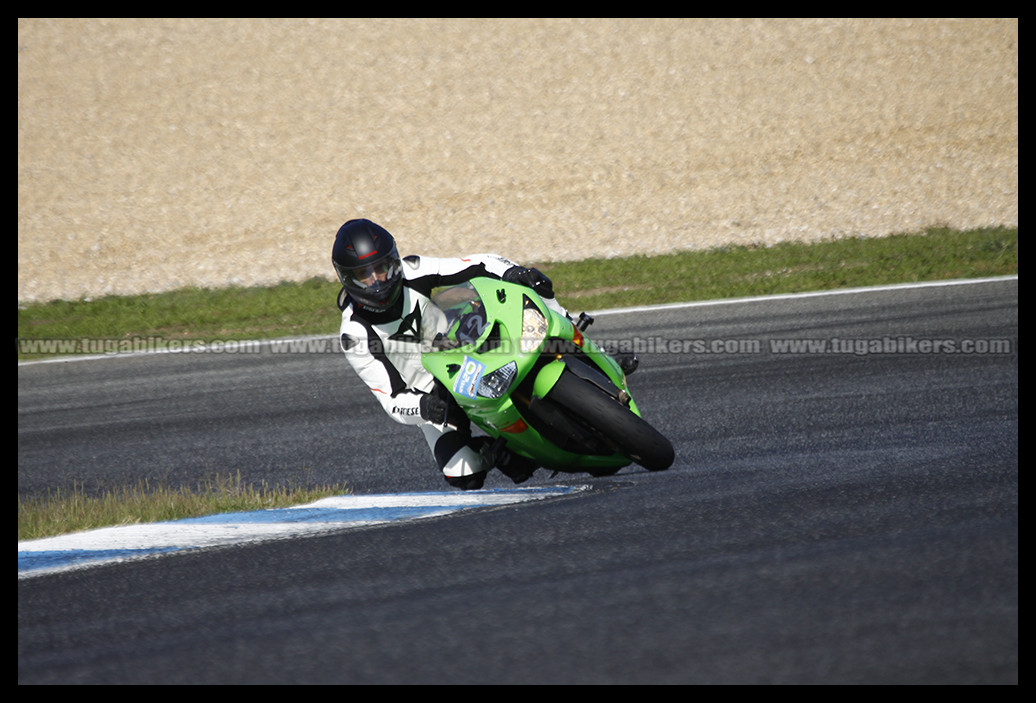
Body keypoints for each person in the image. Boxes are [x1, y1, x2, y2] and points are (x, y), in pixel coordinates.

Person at [332, 218, 636, 490]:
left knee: (534, 284)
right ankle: (507, 451)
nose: (377, 280)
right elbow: (391, 399)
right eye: (364, 274)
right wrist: (425, 406)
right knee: (463, 473)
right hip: (433, 390)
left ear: (394, 261)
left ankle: (589, 346)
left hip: (464, 338)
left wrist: (515, 272)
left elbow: (479, 263)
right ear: (347, 278)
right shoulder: (355, 334)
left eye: (382, 268)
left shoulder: (414, 269)